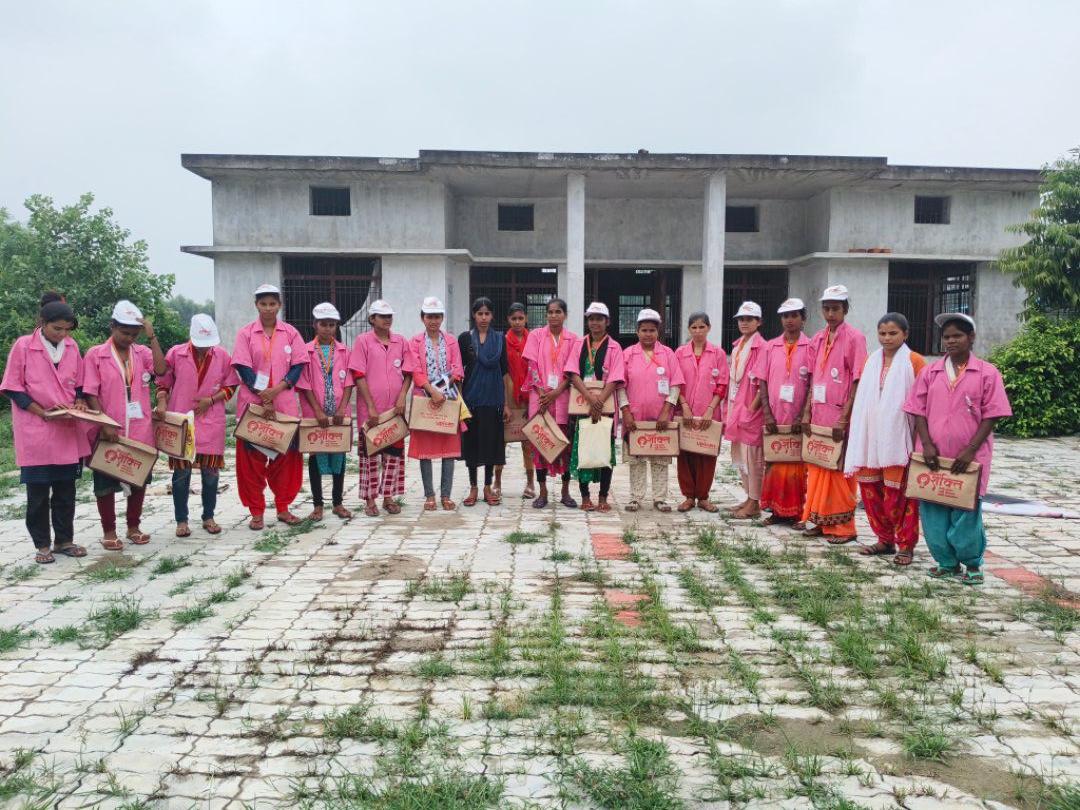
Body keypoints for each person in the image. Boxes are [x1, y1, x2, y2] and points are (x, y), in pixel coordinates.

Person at [903, 313, 1011, 585]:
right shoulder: (930, 372)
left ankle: (972, 563)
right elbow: (917, 409)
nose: (951, 341)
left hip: (970, 456)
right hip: (932, 456)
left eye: (957, 336)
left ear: (971, 338)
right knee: (932, 511)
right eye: (947, 337)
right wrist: (927, 444)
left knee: (966, 511)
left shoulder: (987, 372)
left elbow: (992, 414)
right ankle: (946, 562)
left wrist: (971, 450)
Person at [1, 299, 91, 563]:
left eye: (67, 329)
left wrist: (79, 401)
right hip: (36, 428)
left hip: (66, 429)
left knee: (66, 491)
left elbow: (80, 384)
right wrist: (42, 412)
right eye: (57, 329)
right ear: (42, 323)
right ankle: (42, 545)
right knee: (38, 494)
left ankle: (64, 540)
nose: (62, 334)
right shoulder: (23, 346)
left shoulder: (72, 347)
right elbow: (13, 387)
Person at [83, 300, 167, 550]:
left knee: (138, 479)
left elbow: (161, 370)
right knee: (105, 482)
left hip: (140, 428)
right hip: (110, 429)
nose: (129, 338)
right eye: (124, 333)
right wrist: (104, 423)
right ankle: (109, 531)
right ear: (112, 326)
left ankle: (133, 526)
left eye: (134, 334)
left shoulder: (142, 352)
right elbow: (91, 392)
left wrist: (152, 337)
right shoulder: (96, 354)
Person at [844, 313, 926, 566]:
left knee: (899, 495)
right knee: (871, 491)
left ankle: (906, 545)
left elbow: (922, 402)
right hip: (870, 436)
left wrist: (919, 440)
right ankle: (884, 539)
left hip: (898, 437)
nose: (887, 338)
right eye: (882, 333)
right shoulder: (871, 360)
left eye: (893, 333)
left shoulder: (915, 361)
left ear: (905, 334)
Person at [231, 284, 309, 530]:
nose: (268, 308)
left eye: (272, 304)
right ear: (256, 305)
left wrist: (277, 390)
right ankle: (256, 512)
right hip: (254, 408)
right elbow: (243, 367)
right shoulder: (245, 334)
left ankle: (283, 508)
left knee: (286, 461)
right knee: (251, 462)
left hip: (283, 406)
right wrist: (263, 396)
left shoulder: (291, 333)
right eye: (263, 304)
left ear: (279, 305)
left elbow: (298, 365)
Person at [154, 314, 237, 538]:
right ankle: (181, 520)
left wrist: (211, 400)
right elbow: (163, 382)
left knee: (211, 473)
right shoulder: (176, 354)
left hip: (211, 420)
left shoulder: (222, 356)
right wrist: (161, 400)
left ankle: (208, 516)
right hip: (182, 419)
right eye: (200, 344)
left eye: (208, 344)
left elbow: (231, 386)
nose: (204, 348)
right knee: (182, 473)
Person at [799, 285, 867, 543]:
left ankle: (844, 527)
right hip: (819, 415)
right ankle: (820, 519)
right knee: (818, 469)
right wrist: (806, 412)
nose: (830, 314)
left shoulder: (855, 338)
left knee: (838, 473)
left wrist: (844, 418)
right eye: (826, 309)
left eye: (835, 309)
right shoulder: (817, 338)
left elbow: (858, 379)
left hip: (840, 417)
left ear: (845, 309)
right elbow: (812, 378)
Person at [351, 299, 413, 516]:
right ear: (372, 319)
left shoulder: (401, 341)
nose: (387, 320)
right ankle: (370, 500)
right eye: (382, 316)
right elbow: (358, 374)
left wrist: (402, 397)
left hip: (395, 409)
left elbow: (408, 372)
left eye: (389, 316)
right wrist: (370, 406)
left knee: (393, 454)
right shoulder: (363, 341)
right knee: (370, 454)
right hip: (371, 410)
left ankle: (388, 497)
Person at [619, 308, 684, 512]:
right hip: (635, 417)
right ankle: (635, 497)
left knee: (660, 459)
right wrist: (626, 412)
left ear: (658, 332)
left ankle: (659, 498)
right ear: (637, 331)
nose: (648, 334)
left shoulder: (668, 354)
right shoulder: (627, 354)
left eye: (652, 330)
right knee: (636, 458)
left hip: (660, 417)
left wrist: (667, 409)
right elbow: (620, 386)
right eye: (644, 330)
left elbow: (676, 384)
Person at [566, 302, 625, 512]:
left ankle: (603, 496)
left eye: (599, 319)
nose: (595, 323)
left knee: (605, 450)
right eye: (591, 319)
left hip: (606, 406)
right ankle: (585, 497)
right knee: (582, 449)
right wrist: (591, 399)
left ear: (607, 322)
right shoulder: (579, 344)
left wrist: (599, 401)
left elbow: (616, 377)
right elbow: (573, 373)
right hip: (583, 404)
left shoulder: (614, 347)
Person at [758, 299, 811, 526]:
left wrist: (803, 415)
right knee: (774, 463)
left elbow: (813, 383)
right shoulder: (770, 347)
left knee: (798, 468)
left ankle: (798, 512)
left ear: (803, 318)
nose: (789, 320)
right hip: (775, 416)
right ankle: (776, 512)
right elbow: (761, 381)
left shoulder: (811, 347)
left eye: (794, 315)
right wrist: (767, 414)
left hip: (799, 419)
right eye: (785, 316)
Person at [408, 296, 464, 511]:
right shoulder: (414, 342)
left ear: (442, 318)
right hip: (424, 398)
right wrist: (432, 391)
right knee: (426, 449)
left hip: (448, 398)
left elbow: (457, 368)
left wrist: (443, 389)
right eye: (429, 316)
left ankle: (446, 495)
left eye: (437, 316)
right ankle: (430, 494)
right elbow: (415, 370)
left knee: (449, 447)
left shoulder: (451, 341)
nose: (433, 321)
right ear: (422, 318)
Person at [522, 298, 579, 509]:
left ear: (565, 315)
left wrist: (555, 392)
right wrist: (542, 393)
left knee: (565, 446)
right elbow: (532, 366)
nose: (554, 316)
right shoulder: (536, 335)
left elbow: (572, 371)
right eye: (550, 312)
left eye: (558, 312)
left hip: (563, 399)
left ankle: (565, 492)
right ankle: (543, 492)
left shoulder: (573, 339)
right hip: (540, 399)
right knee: (540, 445)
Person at [300, 303, 354, 521]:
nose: (328, 329)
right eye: (323, 324)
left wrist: (342, 408)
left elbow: (349, 382)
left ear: (336, 326)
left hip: (339, 413)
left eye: (332, 325)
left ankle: (338, 503)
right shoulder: (305, 351)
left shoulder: (344, 351)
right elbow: (304, 383)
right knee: (315, 455)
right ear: (315, 324)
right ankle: (317, 505)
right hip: (316, 414)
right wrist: (317, 411)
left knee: (339, 454)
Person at [458, 297, 512, 507]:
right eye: (479, 313)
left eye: (487, 313)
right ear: (474, 315)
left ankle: (487, 487)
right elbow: (459, 371)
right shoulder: (465, 339)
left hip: (493, 399)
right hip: (471, 399)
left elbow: (504, 372)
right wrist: (459, 402)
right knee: (472, 444)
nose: (483, 318)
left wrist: (506, 404)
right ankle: (473, 487)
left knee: (491, 444)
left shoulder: (499, 339)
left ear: (492, 316)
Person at [674, 311, 727, 513]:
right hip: (685, 412)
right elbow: (675, 382)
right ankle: (688, 496)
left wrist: (711, 409)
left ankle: (703, 497)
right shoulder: (680, 353)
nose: (698, 331)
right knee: (685, 454)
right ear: (689, 329)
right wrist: (684, 406)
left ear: (709, 328)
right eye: (694, 327)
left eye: (702, 327)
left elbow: (722, 384)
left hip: (709, 413)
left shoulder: (718, 353)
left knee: (707, 454)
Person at [723, 301, 767, 519]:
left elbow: (762, 383)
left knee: (753, 457)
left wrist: (752, 408)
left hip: (751, 409)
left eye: (749, 319)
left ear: (759, 322)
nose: (744, 323)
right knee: (741, 455)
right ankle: (748, 497)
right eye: (741, 319)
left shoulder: (762, 348)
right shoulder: (738, 346)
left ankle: (755, 502)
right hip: (736, 406)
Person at [498, 302, 535, 499]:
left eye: (521, 318)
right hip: (509, 391)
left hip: (529, 394)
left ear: (526, 319)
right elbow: (501, 371)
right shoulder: (502, 342)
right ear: (508, 320)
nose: (518, 322)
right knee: (502, 440)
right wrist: (504, 402)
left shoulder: (534, 340)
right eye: (514, 319)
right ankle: (496, 482)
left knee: (528, 442)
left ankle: (530, 483)